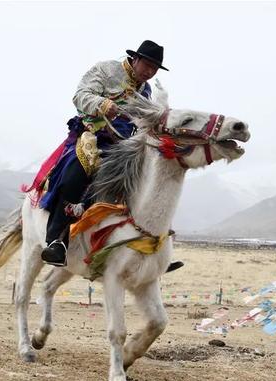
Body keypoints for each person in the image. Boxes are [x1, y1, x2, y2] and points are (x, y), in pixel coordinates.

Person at [33, 40, 181, 273]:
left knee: (151, 181)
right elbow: (80, 95)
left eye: (154, 68)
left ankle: (156, 246)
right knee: (75, 176)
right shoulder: (105, 70)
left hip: (123, 147)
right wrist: (102, 104)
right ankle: (57, 241)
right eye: (148, 65)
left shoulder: (146, 91)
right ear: (136, 59)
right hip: (92, 137)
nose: (150, 72)